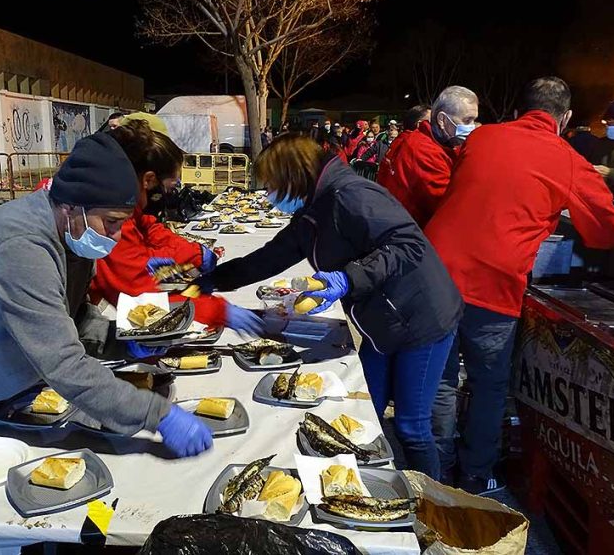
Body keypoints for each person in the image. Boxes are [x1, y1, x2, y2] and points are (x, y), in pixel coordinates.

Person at [0, 132, 215, 470]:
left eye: (121, 224)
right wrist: (158, 415)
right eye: (111, 223)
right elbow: (64, 364)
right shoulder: (23, 247)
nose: (115, 236)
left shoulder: (74, 233)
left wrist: (120, 342)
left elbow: (73, 317)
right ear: (70, 206)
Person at [196, 134, 462, 480]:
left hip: (422, 317)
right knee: (364, 411)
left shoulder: (352, 196)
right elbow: (271, 257)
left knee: (412, 426)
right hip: (383, 322)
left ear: (295, 176)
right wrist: (213, 280)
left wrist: (348, 278)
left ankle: (433, 509)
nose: (269, 194)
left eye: (273, 184)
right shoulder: (313, 211)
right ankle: (363, 481)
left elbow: (407, 245)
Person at [425, 77, 614, 494]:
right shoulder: (565, 157)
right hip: (492, 284)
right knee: (488, 383)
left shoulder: (482, 136)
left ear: (520, 110)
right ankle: (474, 474)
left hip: (435, 274)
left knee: (441, 378)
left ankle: (433, 471)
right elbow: (603, 229)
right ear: (565, 118)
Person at [90, 119, 264, 336]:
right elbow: (141, 296)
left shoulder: (120, 201)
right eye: (169, 186)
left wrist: (193, 253)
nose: (170, 194)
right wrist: (218, 310)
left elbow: (149, 229)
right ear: (149, 180)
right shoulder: (109, 217)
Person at [376, 86, 479, 227]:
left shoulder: (429, 141)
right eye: (467, 120)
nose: (472, 127)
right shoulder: (424, 151)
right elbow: (449, 206)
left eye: (474, 120)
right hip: (409, 232)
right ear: (442, 120)